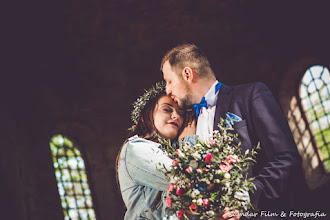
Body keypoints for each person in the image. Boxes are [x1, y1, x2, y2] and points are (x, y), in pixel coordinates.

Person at [161, 44, 302, 220]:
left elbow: (286, 158)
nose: (167, 90)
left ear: (187, 74)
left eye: (169, 81)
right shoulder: (187, 126)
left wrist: (245, 198)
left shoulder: (250, 95)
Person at [116, 83, 196, 220]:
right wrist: (188, 140)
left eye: (181, 114)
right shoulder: (136, 149)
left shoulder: (176, 152)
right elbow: (187, 178)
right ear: (146, 115)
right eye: (167, 109)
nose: (176, 116)